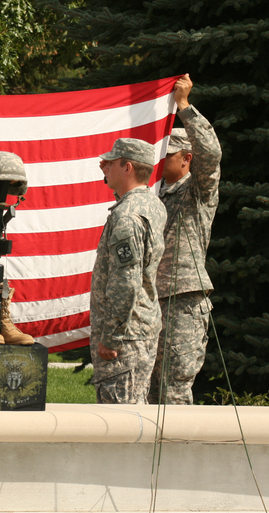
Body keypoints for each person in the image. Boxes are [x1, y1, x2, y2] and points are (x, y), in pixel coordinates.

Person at [148, 75, 222, 405]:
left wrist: (183, 107)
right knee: (146, 386)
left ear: (186, 159)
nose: (161, 160)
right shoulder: (151, 194)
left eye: (169, 154)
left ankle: (178, 454)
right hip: (149, 298)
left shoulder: (198, 192)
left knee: (174, 387)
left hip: (183, 299)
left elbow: (211, 154)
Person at [90, 138, 167, 404]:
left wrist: (110, 337)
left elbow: (126, 281)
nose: (104, 167)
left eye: (111, 163)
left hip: (125, 337)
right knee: (135, 409)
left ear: (128, 168)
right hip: (139, 328)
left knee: (121, 420)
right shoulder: (152, 205)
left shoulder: (127, 216)